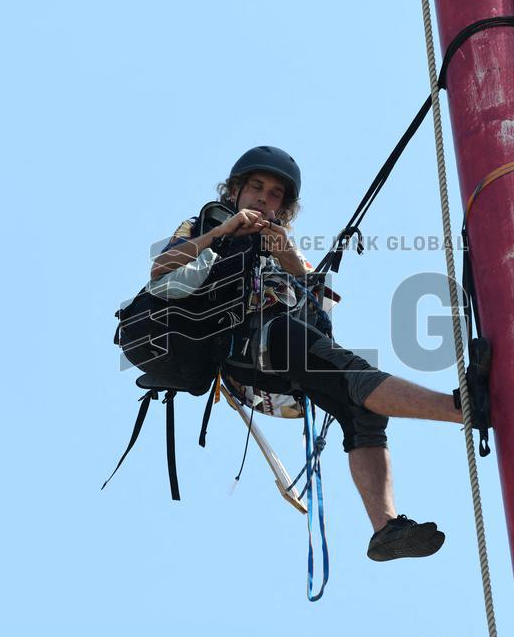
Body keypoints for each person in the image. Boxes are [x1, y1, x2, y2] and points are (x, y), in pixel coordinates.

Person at [148, 146, 466, 561]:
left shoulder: (278, 244)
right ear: (235, 190)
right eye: (256, 187)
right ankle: (461, 409)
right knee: (353, 373)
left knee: (362, 410)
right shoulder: (202, 225)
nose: (263, 198)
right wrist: (221, 234)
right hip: (247, 344)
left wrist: (285, 252)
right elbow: (160, 271)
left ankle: (385, 528)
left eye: (275, 194)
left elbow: (314, 295)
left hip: (278, 354)